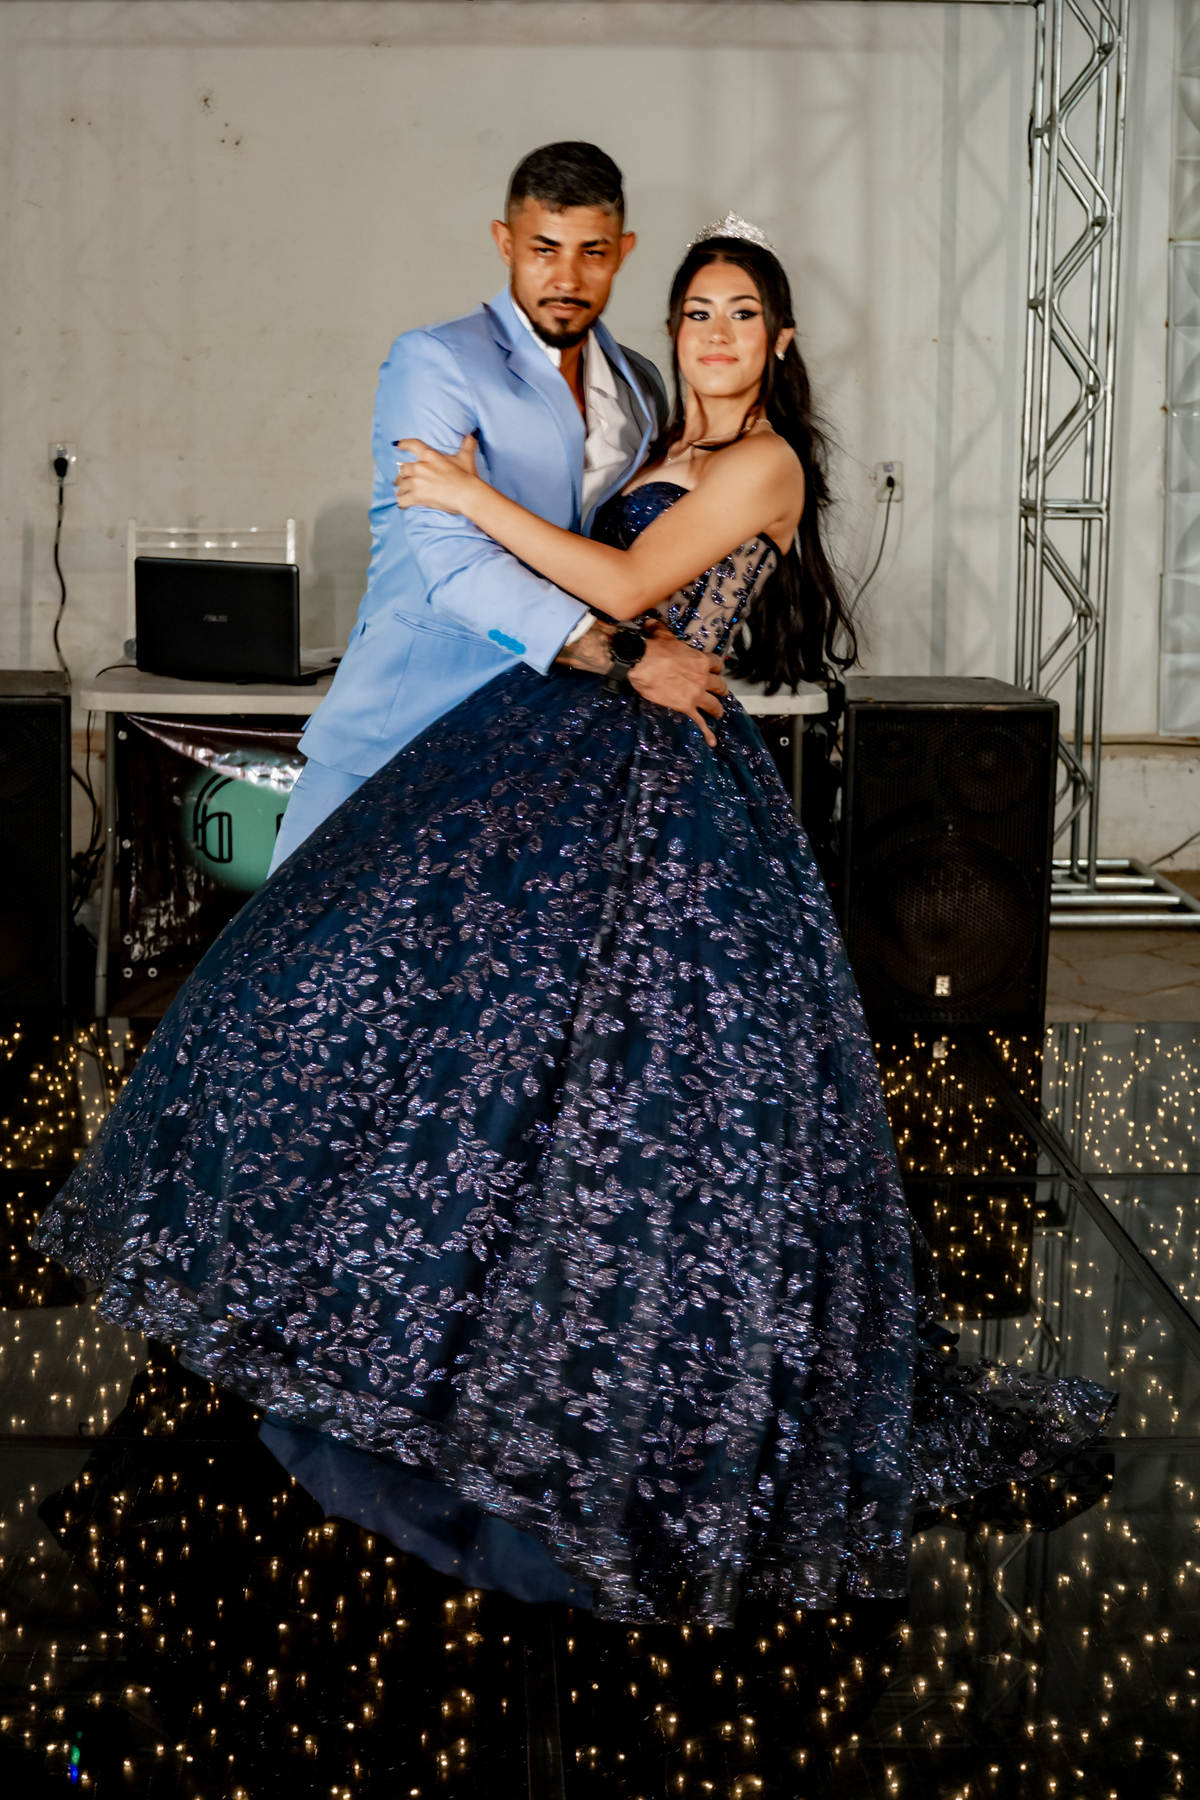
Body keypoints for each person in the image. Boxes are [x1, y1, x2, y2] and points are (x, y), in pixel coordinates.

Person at [35, 221, 1113, 1625]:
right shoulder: (660, 443)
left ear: (782, 341)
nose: (716, 334)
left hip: (665, 790)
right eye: (697, 313)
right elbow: (600, 616)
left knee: (636, 1088)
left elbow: (617, 588)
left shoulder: (768, 465)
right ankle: (414, 1324)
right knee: (427, 1023)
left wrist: (465, 494)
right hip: (555, 740)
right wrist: (564, 594)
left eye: (743, 314)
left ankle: (587, 1380)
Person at [271, 140, 726, 871]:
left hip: (551, 745)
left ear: (623, 251)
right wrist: (627, 657)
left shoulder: (640, 384)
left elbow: (621, 550)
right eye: (544, 249)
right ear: (505, 242)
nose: (567, 277)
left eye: (592, 252)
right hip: (407, 724)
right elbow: (454, 565)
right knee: (296, 942)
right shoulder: (435, 362)